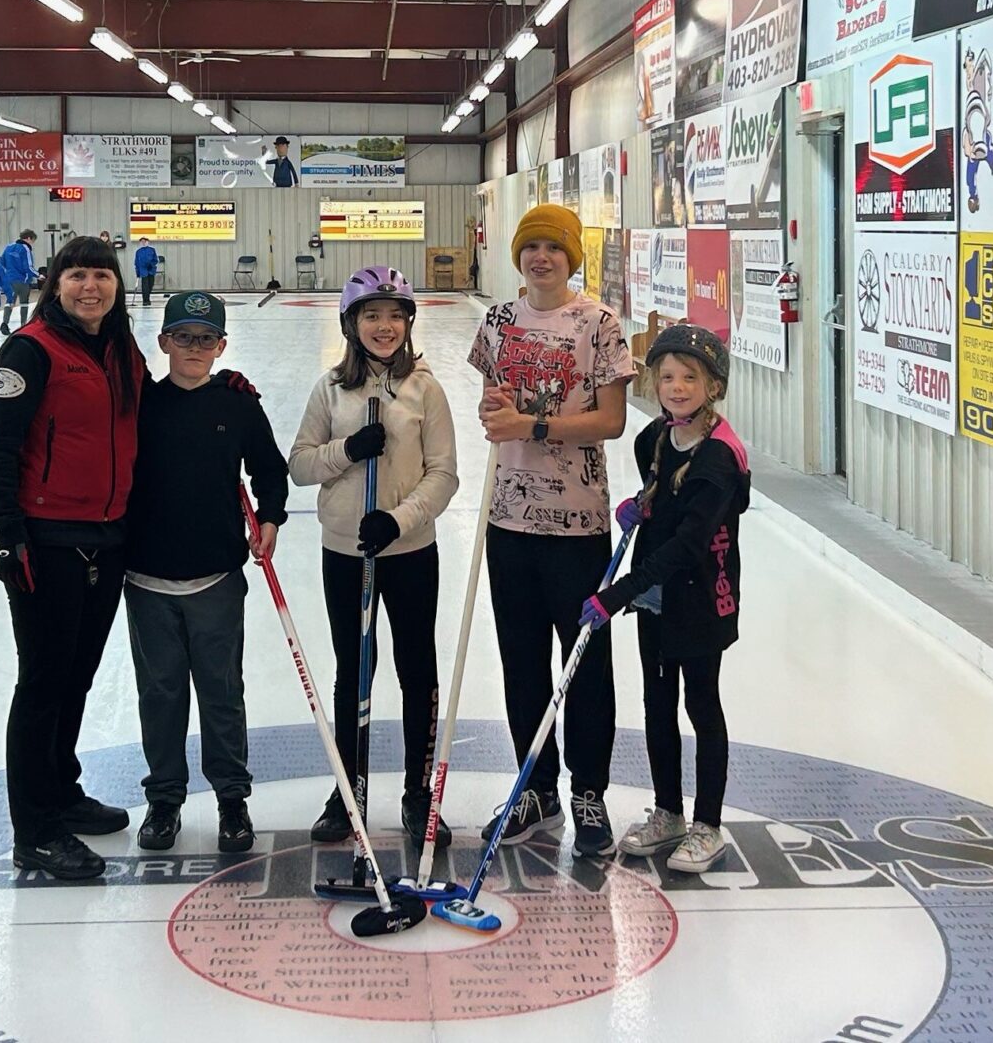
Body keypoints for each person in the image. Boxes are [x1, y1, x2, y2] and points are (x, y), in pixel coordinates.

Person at [0, 236, 149, 881]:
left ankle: (62, 791)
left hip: (107, 539)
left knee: (75, 679)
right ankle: (36, 831)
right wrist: (9, 534)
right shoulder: (30, 349)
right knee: (43, 687)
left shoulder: (121, 349)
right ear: (55, 284)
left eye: (101, 275)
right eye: (76, 275)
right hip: (46, 543)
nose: (90, 287)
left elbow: (147, 425)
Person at [467, 203, 634, 857]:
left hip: (578, 521)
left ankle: (588, 791)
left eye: (553, 248)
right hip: (509, 518)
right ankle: (535, 788)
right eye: (530, 246)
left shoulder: (597, 322)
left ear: (572, 257)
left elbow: (612, 420)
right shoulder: (500, 321)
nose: (541, 257)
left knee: (584, 667)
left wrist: (532, 426)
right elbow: (492, 404)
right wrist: (496, 411)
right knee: (523, 663)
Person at [290, 267, 459, 847]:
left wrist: (398, 519)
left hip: (409, 550)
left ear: (409, 323)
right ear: (351, 324)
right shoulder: (330, 389)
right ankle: (349, 788)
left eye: (395, 316)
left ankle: (417, 790)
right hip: (345, 549)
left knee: (417, 670)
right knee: (352, 672)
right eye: (371, 315)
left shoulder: (426, 389)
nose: (384, 326)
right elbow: (301, 465)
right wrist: (345, 451)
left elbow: (444, 475)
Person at [579, 325, 750, 873]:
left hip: (703, 597)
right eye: (667, 377)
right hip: (657, 598)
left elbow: (689, 544)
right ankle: (669, 812)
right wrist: (640, 505)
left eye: (690, 378)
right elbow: (665, 505)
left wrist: (618, 593)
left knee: (701, 704)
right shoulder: (652, 437)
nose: (676, 387)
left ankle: (708, 824)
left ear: (714, 386)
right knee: (657, 704)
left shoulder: (720, 459)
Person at [124, 290, 288, 856]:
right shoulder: (141, 402)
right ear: (164, 342)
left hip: (216, 578)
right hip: (146, 580)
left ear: (221, 345)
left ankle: (231, 800)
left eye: (206, 339)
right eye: (183, 337)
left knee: (221, 693)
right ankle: (164, 799)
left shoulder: (237, 403)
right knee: (161, 693)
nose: (194, 348)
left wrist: (270, 518)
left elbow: (270, 470)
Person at [0, 229, 42, 336]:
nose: (32, 243)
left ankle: (5, 323)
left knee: (10, 302)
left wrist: (9, 272)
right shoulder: (25, 249)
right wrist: (38, 275)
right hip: (22, 280)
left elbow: (2, 262)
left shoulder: (8, 247)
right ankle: (23, 325)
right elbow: (28, 267)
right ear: (28, 238)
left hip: (9, 280)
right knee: (24, 303)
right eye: (32, 241)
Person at [133, 238, 159, 306]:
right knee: (145, 286)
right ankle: (145, 300)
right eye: (142, 242)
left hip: (151, 270)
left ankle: (147, 297)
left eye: (145, 241)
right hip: (143, 270)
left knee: (150, 284)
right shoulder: (138, 251)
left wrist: (151, 264)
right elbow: (136, 262)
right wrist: (137, 271)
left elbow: (155, 259)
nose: (143, 243)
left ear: (148, 242)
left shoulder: (152, 250)